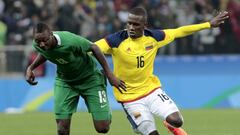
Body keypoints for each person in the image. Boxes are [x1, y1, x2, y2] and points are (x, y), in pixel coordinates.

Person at [95, 7, 229, 135]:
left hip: (151, 91)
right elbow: (92, 48)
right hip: (129, 98)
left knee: (177, 121)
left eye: (135, 24)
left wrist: (208, 24)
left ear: (144, 25)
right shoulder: (116, 40)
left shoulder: (154, 37)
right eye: (129, 23)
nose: (131, 27)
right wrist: (109, 74)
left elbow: (179, 31)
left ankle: (170, 126)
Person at [25, 22, 126, 135]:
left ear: (51, 34)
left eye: (44, 40)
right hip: (65, 82)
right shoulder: (38, 44)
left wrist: (109, 74)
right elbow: (45, 53)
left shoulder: (69, 40)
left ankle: (104, 113)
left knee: (102, 127)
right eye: (38, 41)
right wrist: (31, 67)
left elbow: (94, 47)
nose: (42, 44)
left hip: (90, 79)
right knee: (61, 129)